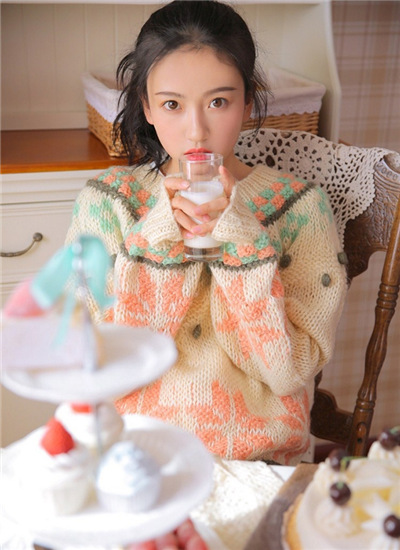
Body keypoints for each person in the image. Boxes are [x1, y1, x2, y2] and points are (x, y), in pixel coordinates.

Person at [66, 3, 347, 544]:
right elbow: (100, 368)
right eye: (172, 104)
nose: (196, 129)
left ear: (247, 101)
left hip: (258, 461)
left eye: (219, 101)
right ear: (146, 106)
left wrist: (243, 241)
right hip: (134, 462)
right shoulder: (107, 204)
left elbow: (288, 371)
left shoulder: (300, 208)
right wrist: (158, 234)